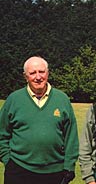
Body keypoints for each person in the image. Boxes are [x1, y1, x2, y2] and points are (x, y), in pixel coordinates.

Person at [0, 56, 79, 184]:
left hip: (55, 172)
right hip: (19, 169)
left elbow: (71, 137)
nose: (38, 77)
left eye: (41, 72)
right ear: (25, 76)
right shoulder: (13, 100)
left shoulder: (62, 99)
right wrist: (7, 159)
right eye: (32, 73)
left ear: (48, 73)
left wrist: (69, 166)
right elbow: (1, 133)